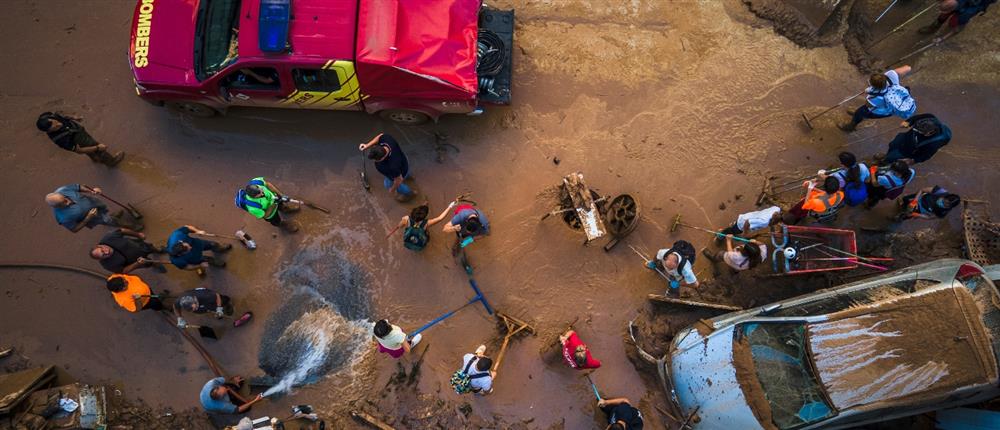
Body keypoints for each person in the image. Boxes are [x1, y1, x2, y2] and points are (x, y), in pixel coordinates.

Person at [839, 65, 915, 132]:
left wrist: (868, 91)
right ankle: (861, 116)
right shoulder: (891, 75)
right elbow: (908, 68)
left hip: (881, 111)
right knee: (861, 112)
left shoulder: (876, 97)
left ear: (874, 87)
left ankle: (851, 126)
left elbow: (868, 105)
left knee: (861, 112)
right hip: (893, 106)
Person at [36, 112, 124, 167]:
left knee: (91, 151)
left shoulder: (50, 116)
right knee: (98, 149)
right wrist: (97, 148)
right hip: (79, 140)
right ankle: (111, 162)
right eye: (54, 127)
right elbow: (79, 150)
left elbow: (63, 116)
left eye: (56, 122)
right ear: (48, 131)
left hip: (79, 131)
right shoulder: (61, 139)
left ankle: (95, 158)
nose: (58, 124)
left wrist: (74, 117)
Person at [45, 184, 133, 233]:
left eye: (65, 198)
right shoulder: (63, 218)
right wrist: (88, 218)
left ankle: (112, 217)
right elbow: (74, 229)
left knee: (105, 211)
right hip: (94, 217)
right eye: (63, 203)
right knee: (107, 220)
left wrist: (91, 191)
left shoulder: (62, 190)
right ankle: (124, 224)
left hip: (95, 203)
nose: (68, 202)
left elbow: (78, 187)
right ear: (56, 207)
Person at [359, 133, 415, 202]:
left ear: (383, 157)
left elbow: (398, 180)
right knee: (405, 172)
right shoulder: (387, 140)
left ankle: (410, 193)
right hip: (404, 161)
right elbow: (380, 136)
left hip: (399, 172)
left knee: (388, 184)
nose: (374, 161)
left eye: (376, 160)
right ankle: (409, 177)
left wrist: (392, 189)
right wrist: (367, 145)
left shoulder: (393, 166)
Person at [234, 177, 301, 233]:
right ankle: (283, 224)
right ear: (254, 197)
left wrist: (281, 195)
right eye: (260, 194)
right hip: (271, 213)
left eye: (261, 190)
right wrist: (274, 203)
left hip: (275, 198)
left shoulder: (256, 182)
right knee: (276, 221)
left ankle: (285, 209)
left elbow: (268, 185)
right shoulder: (252, 207)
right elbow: (266, 215)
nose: (262, 192)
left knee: (281, 205)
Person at [883, 114, 952, 164]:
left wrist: (913, 160)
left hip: (907, 150)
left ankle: (886, 164)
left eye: (918, 131)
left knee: (890, 158)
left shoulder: (932, 145)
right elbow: (921, 116)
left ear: (929, 133)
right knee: (892, 144)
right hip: (904, 138)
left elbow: (925, 156)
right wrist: (909, 121)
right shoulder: (931, 118)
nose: (915, 130)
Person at [90, 228, 166, 273]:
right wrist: (137, 264)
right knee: (149, 263)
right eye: (104, 255)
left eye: (102, 250)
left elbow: (122, 230)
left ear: (100, 246)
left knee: (151, 247)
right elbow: (123, 271)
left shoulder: (109, 238)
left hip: (140, 246)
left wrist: (138, 234)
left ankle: (158, 250)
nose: (106, 252)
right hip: (137, 261)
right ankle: (155, 265)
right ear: (101, 259)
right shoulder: (108, 265)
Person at [167, 225, 232, 275]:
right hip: (195, 258)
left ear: (180, 242)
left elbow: (187, 227)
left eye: (187, 245)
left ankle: (219, 248)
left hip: (198, 244)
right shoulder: (176, 261)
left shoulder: (177, 235)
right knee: (205, 259)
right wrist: (199, 266)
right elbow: (187, 267)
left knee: (213, 244)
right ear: (181, 254)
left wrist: (197, 231)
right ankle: (213, 261)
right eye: (188, 250)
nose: (190, 247)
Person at [389, 202, 455, 251]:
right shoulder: (427, 223)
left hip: (410, 238)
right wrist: (450, 206)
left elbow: (399, 226)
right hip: (421, 239)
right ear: (424, 216)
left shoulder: (406, 219)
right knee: (426, 235)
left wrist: (394, 230)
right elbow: (440, 218)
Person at [173, 288, 244, 328]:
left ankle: (226, 306)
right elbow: (175, 307)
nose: (196, 308)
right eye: (193, 309)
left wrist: (219, 308)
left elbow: (217, 296)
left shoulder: (204, 295)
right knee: (210, 309)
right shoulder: (179, 301)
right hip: (205, 306)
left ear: (195, 299)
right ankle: (217, 313)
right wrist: (180, 318)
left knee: (223, 300)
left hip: (210, 300)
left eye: (196, 306)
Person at [919, 0, 996, 36]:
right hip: (960, 2)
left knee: (954, 22)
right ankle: (934, 27)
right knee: (943, 15)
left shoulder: (968, 12)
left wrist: (945, 37)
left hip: (973, 6)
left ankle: (951, 30)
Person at [703, 235, 767, 273]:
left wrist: (728, 240)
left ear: (744, 251)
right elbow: (763, 245)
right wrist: (755, 242)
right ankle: (734, 271)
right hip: (742, 267)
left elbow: (730, 254)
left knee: (721, 254)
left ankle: (713, 259)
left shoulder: (738, 256)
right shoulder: (762, 254)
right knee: (736, 269)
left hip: (731, 260)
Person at [200, 376, 264, 414]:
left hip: (208, 395)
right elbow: (238, 410)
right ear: (221, 398)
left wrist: (233, 379)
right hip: (210, 406)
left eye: (224, 388)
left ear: (217, 387)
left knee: (239, 380)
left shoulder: (212, 383)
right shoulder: (222, 405)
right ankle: (232, 398)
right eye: (225, 393)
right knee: (247, 407)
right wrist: (255, 400)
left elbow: (224, 379)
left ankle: (233, 388)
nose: (227, 390)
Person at [894, 186, 961, 222]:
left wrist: (917, 215)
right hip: (919, 198)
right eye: (945, 201)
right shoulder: (941, 192)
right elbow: (922, 190)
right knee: (905, 200)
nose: (944, 204)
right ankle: (901, 206)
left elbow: (929, 217)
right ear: (946, 197)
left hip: (922, 209)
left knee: (906, 216)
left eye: (947, 205)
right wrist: (915, 201)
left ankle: (898, 218)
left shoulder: (943, 211)